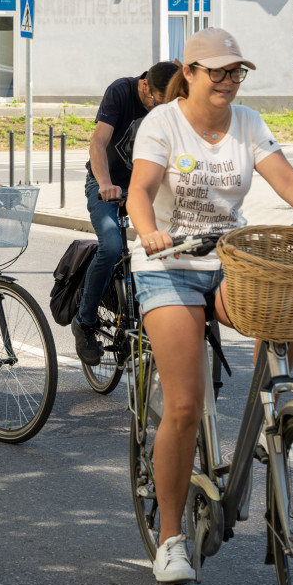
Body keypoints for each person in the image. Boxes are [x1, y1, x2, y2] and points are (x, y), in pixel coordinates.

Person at [127, 27, 293, 585]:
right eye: (219, 72)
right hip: (170, 267)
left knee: (286, 306)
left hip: (230, 260)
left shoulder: (249, 123)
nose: (230, 82)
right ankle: (170, 539)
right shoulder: (163, 123)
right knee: (184, 406)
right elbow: (141, 189)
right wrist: (149, 230)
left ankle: (270, 419)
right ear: (189, 73)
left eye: (237, 72)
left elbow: (285, 179)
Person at [72, 61, 179, 365]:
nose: (160, 109)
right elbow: (98, 142)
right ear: (145, 85)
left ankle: (153, 319)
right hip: (105, 182)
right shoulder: (121, 92)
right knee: (111, 246)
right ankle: (85, 321)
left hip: (142, 188)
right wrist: (105, 183)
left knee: (169, 245)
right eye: (156, 101)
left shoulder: (171, 105)